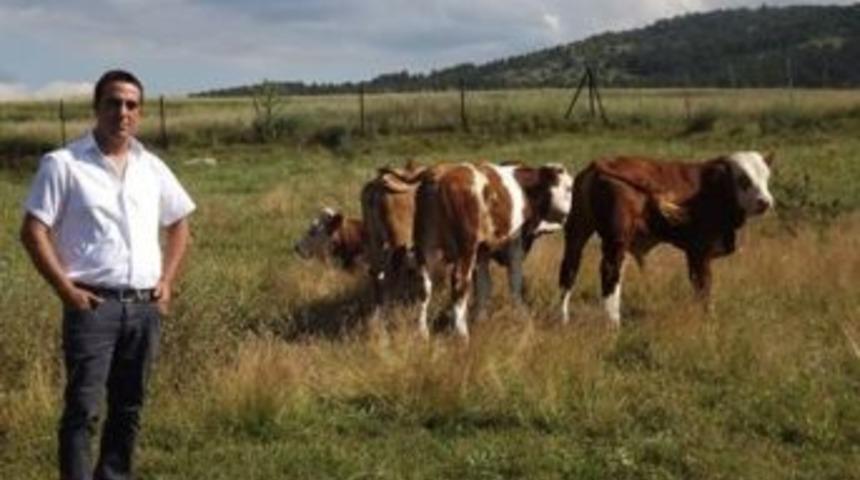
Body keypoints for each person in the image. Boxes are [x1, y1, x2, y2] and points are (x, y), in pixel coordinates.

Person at [20, 69, 195, 480]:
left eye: (131, 104)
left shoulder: (150, 166)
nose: (123, 112)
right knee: (83, 408)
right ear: (96, 108)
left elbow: (180, 221)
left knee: (129, 406)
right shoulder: (63, 164)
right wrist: (66, 290)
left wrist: (167, 281)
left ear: (141, 112)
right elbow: (32, 231)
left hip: (144, 307)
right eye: (113, 102)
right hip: (92, 305)